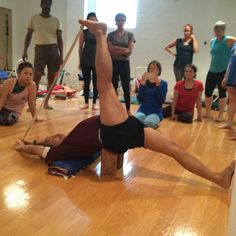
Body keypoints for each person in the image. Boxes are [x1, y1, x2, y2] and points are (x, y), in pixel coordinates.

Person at [15, 20, 235, 191]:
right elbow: (40, 150)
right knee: (106, 87)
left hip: (129, 129)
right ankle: (101, 34)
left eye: (54, 137)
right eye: (54, 140)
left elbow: (45, 140)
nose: (56, 137)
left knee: (175, 149)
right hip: (112, 133)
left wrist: (33, 139)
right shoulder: (58, 152)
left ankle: (218, 178)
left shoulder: (67, 138)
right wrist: (24, 147)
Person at [22, 0, 63, 110]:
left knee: (51, 77)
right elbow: (28, 36)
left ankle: (46, 102)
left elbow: (59, 39)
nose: (47, 6)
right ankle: (32, 104)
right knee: (36, 77)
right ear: (41, 5)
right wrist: (24, 50)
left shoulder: (56, 20)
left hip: (53, 49)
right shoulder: (34, 18)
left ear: (51, 6)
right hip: (40, 49)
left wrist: (61, 55)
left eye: (49, 4)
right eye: (45, 3)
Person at [204, 21, 236, 121]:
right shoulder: (212, 41)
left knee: (222, 94)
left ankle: (220, 115)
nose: (216, 32)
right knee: (208, 92)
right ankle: (208, 113)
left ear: (223, 30)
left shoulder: (229, 40)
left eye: (219, 30)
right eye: (215, 30)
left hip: (223, 71)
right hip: (212, 70)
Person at [107, 13, 136, 114]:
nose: (120, 22)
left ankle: (128, 110)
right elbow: (110, 50)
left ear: (125, 21)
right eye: (119, 20)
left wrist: (116, 49)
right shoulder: (110, 35)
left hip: (124, 64)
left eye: (122, 20)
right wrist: (124, 49)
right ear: (116, 21)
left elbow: (130, 51)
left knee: (125, 86)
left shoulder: (130, 35)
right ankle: (114, 108)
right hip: (113, 63)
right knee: (113, 86)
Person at [135, 60, 168, 129]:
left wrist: (158, 86)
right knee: (135, 122)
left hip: (156, 111)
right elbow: (139, 99)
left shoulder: (163, 83)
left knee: (148, 123)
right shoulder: (144, 82)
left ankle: (152, 125)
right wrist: (142, 86)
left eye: (155, 68)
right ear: (148, 70)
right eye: (151, 68)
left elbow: (161, 100)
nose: (152, 70)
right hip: (143, 109)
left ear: (159, 71)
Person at [79, 12, 98, 110]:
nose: (92, 22)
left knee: (96, 83)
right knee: (86, 82)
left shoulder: (99, 32)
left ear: (97, 21)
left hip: (96, 61)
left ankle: (94, 103)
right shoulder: (84, 32)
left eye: (94, 20)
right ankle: (86, 102)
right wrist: (80, 61)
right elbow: (80, 47)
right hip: (86, 59)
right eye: (90, 20)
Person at [220, 42, 236, 130]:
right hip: (232, 75)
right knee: (232, 100)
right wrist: (225, 77)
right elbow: (230, 62)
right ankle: (229, 123)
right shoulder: (234, 45)